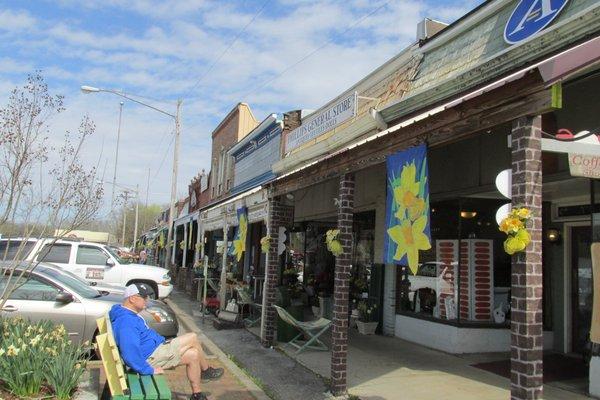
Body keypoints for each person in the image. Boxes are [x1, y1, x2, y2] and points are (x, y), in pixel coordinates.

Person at [109, 285, 223, 400]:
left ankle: (197, 394)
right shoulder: (126, 322)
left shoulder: (127, 315)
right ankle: (206, 371)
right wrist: (148, 370)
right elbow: (130, 353)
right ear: (132, 299)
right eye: (144, 297)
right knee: (192, 337)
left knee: (194, 354)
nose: (147, 300)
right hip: (150, 358)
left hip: (155, 352)